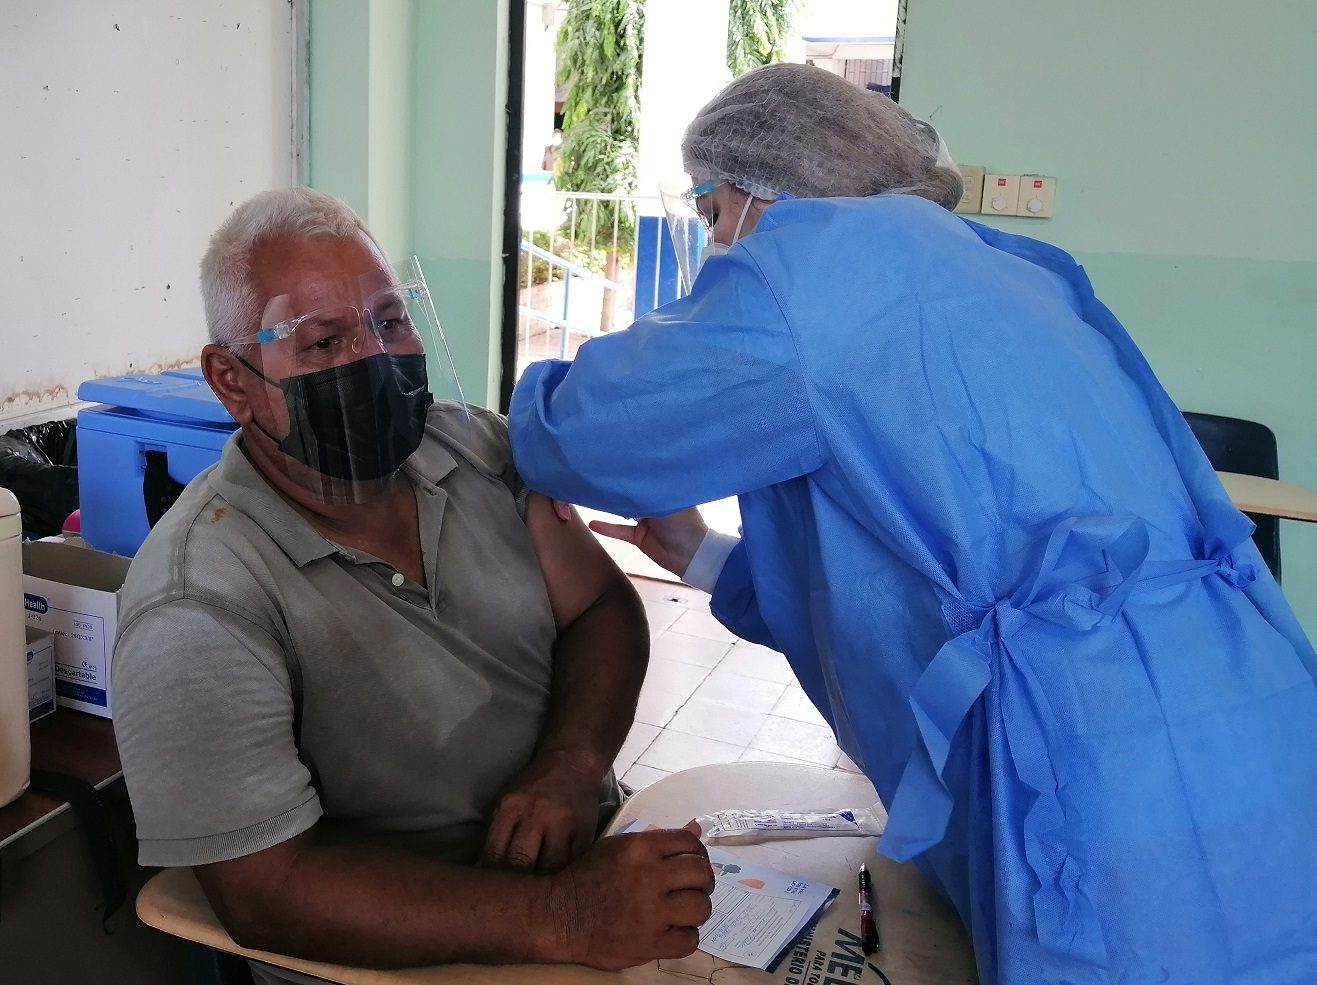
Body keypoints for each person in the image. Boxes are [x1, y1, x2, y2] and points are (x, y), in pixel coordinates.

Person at [508, 64, 1317, 984]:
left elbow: (577, 437)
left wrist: (524, 400)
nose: (716, 238)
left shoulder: (805, 277)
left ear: (753, 189)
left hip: (1095, 770)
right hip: (1248, 712)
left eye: (709, 210)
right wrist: (701, 556)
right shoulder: (1003, 267)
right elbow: (903, 585)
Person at [111, 187, 713, 983]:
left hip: (588, 873)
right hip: (402, 959)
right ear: (233, 380)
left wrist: (570, 764)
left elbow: (599, 607)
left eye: (390, 320)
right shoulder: (198, 601)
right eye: (323, 340)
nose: (373, 359)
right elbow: (265, 889)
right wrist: (563, 915)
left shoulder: (474, 450)